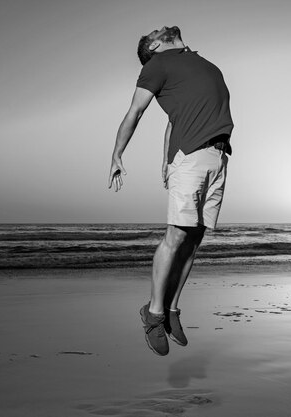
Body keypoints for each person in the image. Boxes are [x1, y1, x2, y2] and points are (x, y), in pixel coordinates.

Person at [107, 26, 234, 356]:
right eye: (152, 32)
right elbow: (135, 111)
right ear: (154, 45)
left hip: (218, 156)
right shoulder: (157, 65)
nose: (158, 27)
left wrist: (165, 159)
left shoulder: (200, 63)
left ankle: (172, 310)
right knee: (176, 236)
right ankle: (153, 313)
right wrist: (117, 154)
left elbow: (173, 119)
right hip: (191, 158)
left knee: (194, 240)